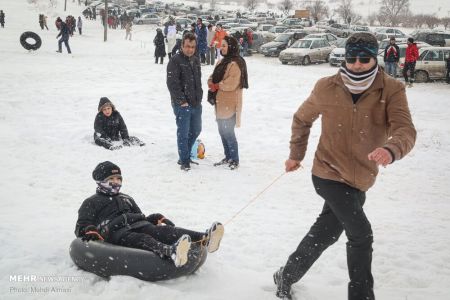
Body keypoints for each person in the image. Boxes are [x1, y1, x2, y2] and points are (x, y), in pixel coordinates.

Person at [274, 32, 416, 300]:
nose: (357, 64)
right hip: (327, 172)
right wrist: (296, 154)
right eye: (352, 58)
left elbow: (405, 129)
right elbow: (302, 119)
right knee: (361, 235)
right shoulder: (326, 87)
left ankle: (286, 275)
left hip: (360, 177)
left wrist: (391, 149)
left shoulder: (391, 89)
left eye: (364, 58)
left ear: (375, 58)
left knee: (325, 233)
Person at [75, 161, 224, 268]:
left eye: (118, 179)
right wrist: (89, 229)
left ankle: (205, 238)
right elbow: (82, 225)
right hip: (117, 233)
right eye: (111, 179)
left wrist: (154, 218)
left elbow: (140, 216)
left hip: (139, 225)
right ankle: (170, 252)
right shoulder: (91, 202)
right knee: (142, 238)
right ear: (100, 181)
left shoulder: (126, 198)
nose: (116, 182)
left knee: (164, 231)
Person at [208, 36, 248, 170]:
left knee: (228, 132)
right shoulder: (221, 62)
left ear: (231, 47)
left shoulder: (236, 63)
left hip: (230, 104)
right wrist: (210, 82)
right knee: (222, 131)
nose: (222, 48)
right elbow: (212, 76)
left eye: (224, 45)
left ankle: (234, 159)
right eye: (221, 45)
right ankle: (227, 156)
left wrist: (217, 86)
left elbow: (232, 83)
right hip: (220, 104)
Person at [166, 32, 203, 171]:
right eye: (187, 46)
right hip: (182, 105)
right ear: (182, 45)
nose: (190, 49)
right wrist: (181, 101)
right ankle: (184, 160)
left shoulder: (195, 59)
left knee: (196, 129)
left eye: (193, 47)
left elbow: (197, 81)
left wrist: (199, 96)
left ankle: (184, 155)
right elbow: (172, 83)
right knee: (183, 132)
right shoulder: (175, 60)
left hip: (196, 103)